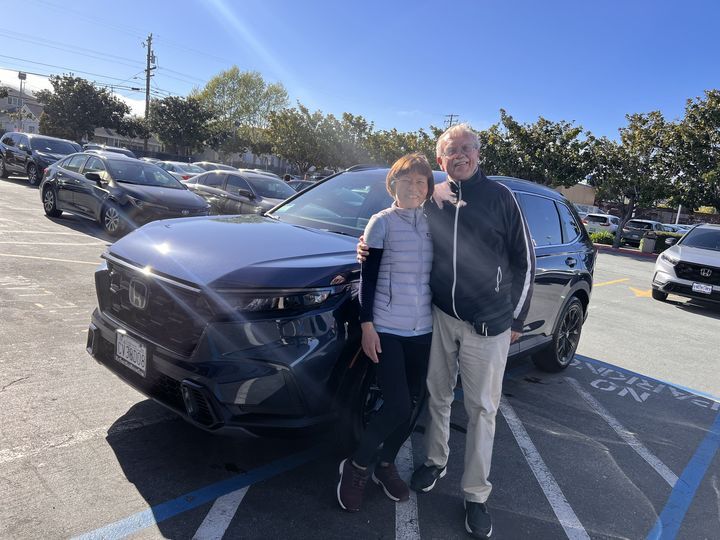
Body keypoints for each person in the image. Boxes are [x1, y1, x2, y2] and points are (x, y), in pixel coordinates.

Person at [357, 124, 535, 539]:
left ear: (478, 154)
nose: (461, 156)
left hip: (488, 325)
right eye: (452, 151)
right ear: (441, 160)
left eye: (468, 149)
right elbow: (395, 228)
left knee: (481, 411)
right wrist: (363, 247)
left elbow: (525, 261)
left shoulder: (501, 198)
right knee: (437, 397)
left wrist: (516, 320)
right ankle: (435, 460)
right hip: (439, 316)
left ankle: (476, 495)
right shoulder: (433, 197)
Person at [337, 153, 435, 513]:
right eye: (406, 180)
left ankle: (386, 463)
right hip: (387, 327)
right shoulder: (381, 223)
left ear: (428, 188)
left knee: (411, 406)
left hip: (424, 328)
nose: (413, 187)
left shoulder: (435, 223)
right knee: (394, 404)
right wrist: (367, 325)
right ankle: (358, 465)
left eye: (420, 182)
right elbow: (369, 279)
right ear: (393, 185)